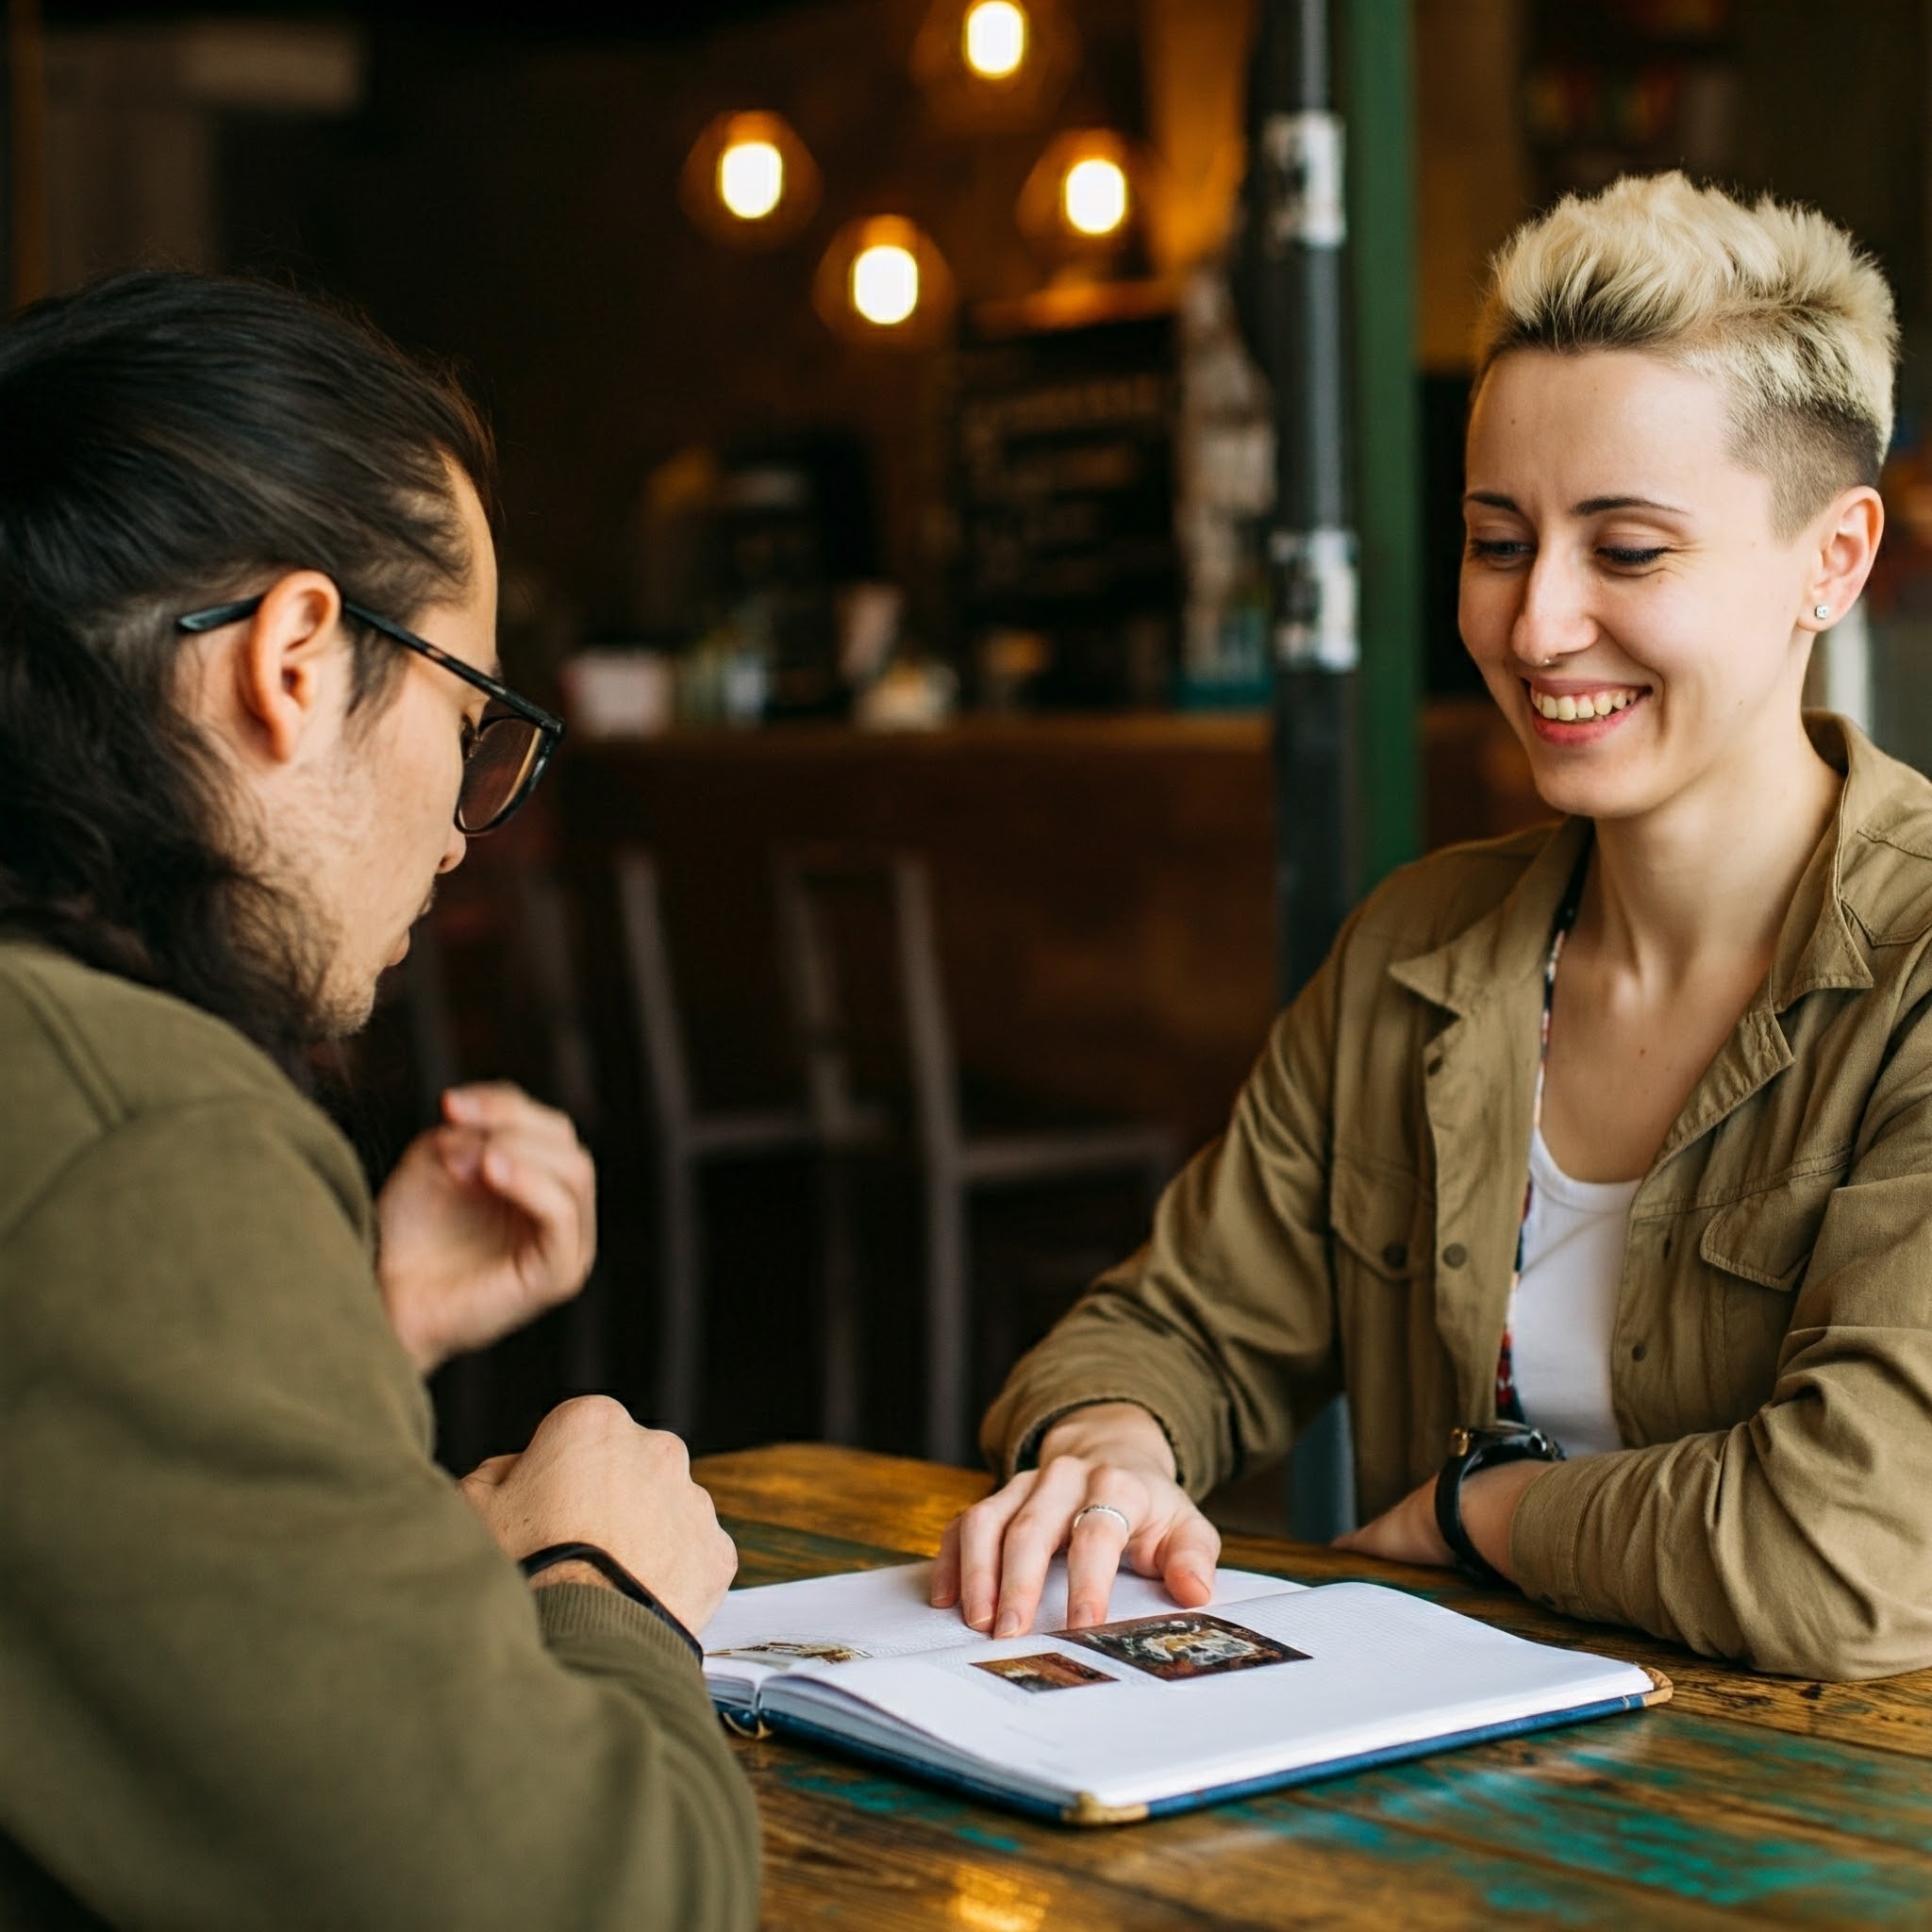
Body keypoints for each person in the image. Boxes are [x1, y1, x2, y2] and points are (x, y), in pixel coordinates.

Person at [937, 171, 1932, 1684]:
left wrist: (1496, 1516)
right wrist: (1114, 1445)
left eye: (1629, 550)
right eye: (1496, 539)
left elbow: (1857, 1549)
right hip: (1443, 1840)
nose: (1536, 627)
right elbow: (1173, 1326)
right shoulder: (1421, 949)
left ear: (1834, 560)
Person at [0, 273, 758, 1926]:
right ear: (294, 656)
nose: (463, 825)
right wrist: (601, 1580)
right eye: (476, 722)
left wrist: (353, 1323)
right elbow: (591, 1903)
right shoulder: (143, 1128)